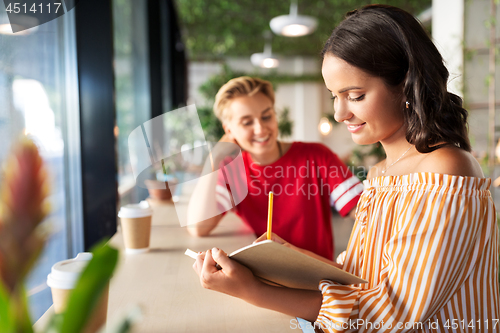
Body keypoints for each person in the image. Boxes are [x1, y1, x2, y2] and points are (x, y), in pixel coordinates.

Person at [192, 4, 500, 332]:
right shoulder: (382, 173)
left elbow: (391, 315)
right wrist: (290, 257)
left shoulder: (444, 170)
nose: (339, 114)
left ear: (406, 84)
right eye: (334, 96)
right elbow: (366, 282)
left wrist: (255, 291)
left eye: (355, 95)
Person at [187, 76, 363, 260]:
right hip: (263, 280)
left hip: (315, 279)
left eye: (266, 116)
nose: (261, 128)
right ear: (229, 130)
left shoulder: (317, 156)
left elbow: (366, 214)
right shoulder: (232, 172)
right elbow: (198, 227)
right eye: (247, 122)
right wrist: (213, 159)